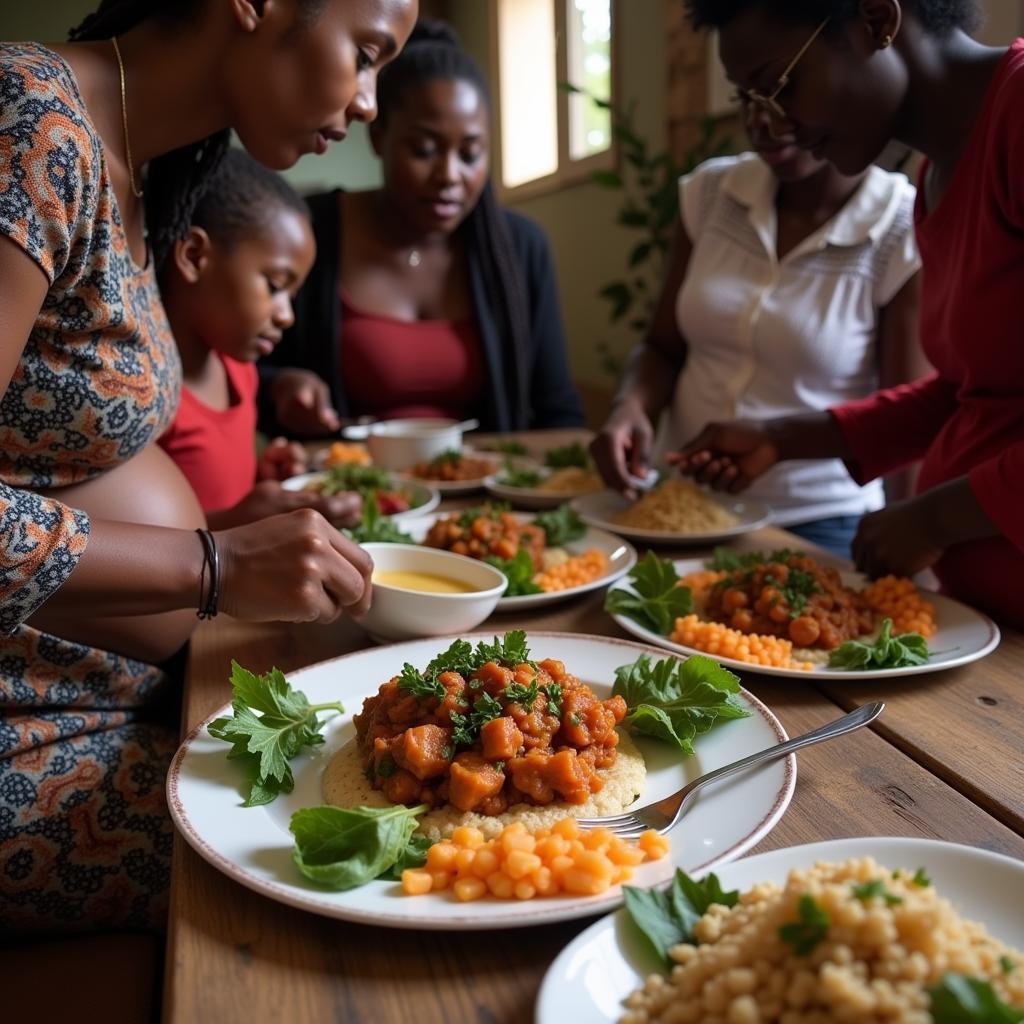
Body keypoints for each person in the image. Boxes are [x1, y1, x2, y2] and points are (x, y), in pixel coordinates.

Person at [0, 0, 416, 935]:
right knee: (357, 840)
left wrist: (223, 532)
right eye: (366, 53)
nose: (370, 102)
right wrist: (212, 568)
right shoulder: (25, 122)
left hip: (126, 687)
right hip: (33, 726)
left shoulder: (139, 169)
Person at [672, 0, 1023, 627]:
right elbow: (976, 397)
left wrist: (933, 517)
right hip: (982, 615)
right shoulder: (936, 177)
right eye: (750, 97)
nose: (772, 123)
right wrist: (784, 439)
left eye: (779, 85)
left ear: (874, 19)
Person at [590, 96, 924, 558]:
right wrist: (631, 408)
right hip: (679, 504)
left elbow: (907, 421)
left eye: (783, 95)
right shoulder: (712, 193)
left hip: (819, 524)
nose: (760, 121)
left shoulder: (900, 226)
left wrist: (906, 557)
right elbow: (662, 348)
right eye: (746, 96)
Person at [258, 18, 585, 438]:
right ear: (378, 136)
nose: (449, 175)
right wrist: (280, 385)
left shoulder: (520, 249)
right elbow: (240, 372)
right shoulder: (310, 230)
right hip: (345, 493)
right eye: (425, 149)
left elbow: (557, 408)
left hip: (484, 498)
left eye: (470, 154)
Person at [157, 148, 362, 528]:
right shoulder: (148, 400)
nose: (287, 315)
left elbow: (220, 488)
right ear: (195, 255)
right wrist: (237, 522)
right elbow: (140, 540)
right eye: (274, 285)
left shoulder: (239, 370)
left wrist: (263, 479)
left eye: (293, 295)